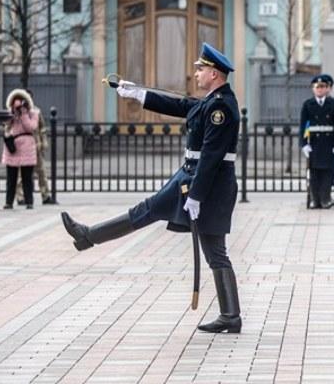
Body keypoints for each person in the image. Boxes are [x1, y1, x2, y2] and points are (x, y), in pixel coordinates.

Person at [61, 43, 242, 334]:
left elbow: (211, 156)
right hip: (189, 178)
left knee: (215, 251)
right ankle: (87, 236)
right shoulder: (213, 100)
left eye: (201, 69)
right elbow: (180, 105)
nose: (196, 73)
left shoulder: (221, 107)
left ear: (215, 74)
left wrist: (196, 195)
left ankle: (231, 316)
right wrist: (138, 94)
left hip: (207, 185)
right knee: (147, 211)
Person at [301, 74, 334, 209]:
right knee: (314, 173)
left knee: (327, 173)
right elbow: (303, 126)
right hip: (314, 143)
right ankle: (315, 200)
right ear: (313, 89)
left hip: (328, 143)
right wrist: (304, 144)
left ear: (327, 89)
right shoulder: (308, 104)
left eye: (323, 87)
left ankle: (325, 199)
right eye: (317, 87)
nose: (320, 89)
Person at [1, 88, 40, 210]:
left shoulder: (33, 113)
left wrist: (23, 113)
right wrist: (13, 111)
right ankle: (9, 202)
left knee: (27, 177)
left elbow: (31, 127)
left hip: (27, 147)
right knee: (11, 177)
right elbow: (6, 123)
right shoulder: (12, 113)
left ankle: (29, 201)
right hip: (13, 147)